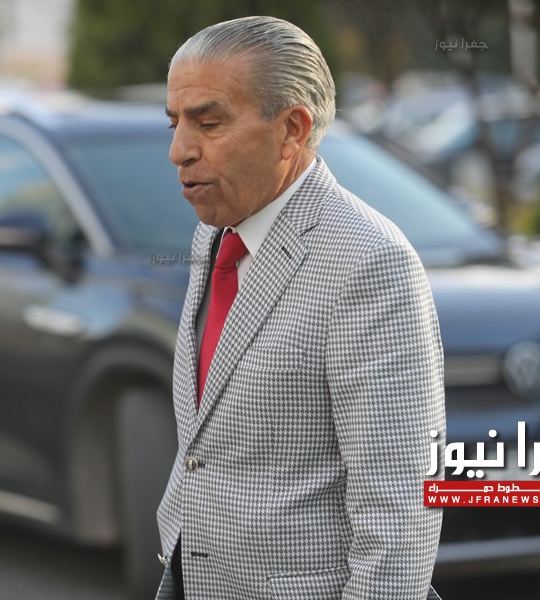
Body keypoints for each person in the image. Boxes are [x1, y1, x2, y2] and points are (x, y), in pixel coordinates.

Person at [157, 15, 445, 600]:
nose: (178, 151)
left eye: (208, 123)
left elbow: (400, 507)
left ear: (292, 129)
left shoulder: (369, 262)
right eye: (175, 122)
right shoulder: (214, 232)